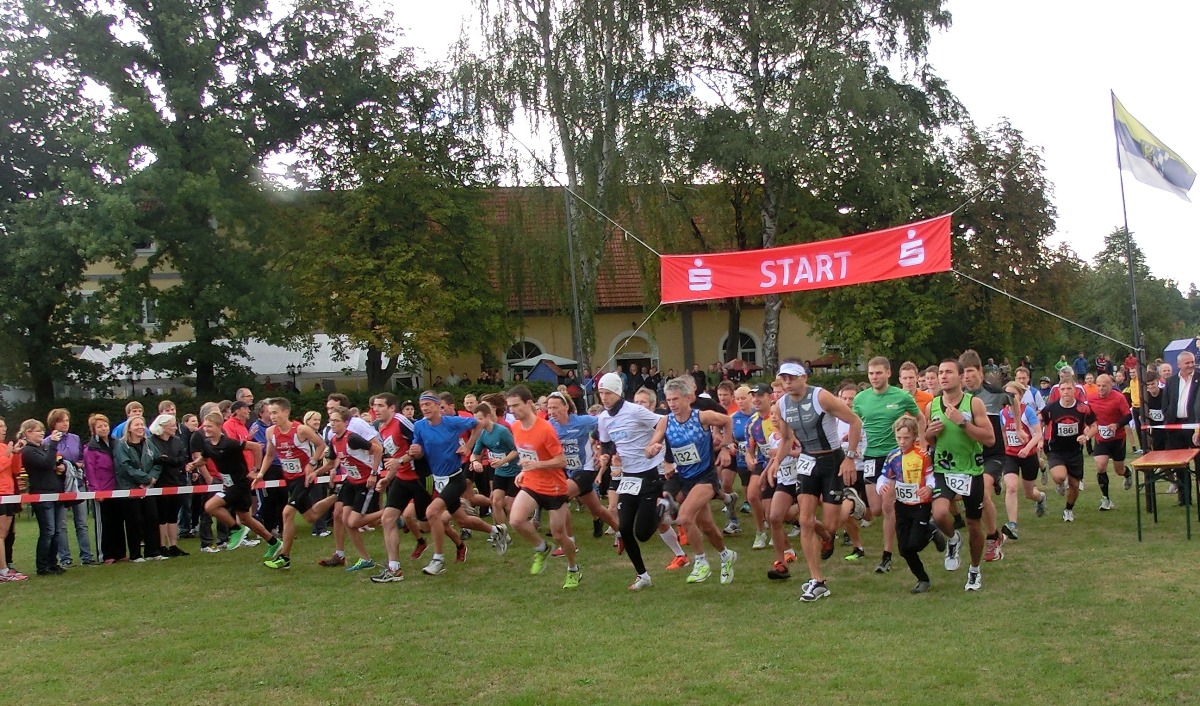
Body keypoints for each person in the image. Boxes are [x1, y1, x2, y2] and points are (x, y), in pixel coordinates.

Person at [767, 361, 863, 602]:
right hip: (808, 460)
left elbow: (855, 422)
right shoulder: (782, 404)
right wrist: (777, 461)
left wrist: (849, 458)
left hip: (832, 460)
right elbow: (786, 439)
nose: (787, 382)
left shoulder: (821, 397)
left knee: (829, 526)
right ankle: (817, 581)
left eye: (792, 378)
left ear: (804, 378)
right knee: (805, 521)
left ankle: (850, 503)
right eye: (783, 378)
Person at [409, 392, 509, 576]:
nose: (424, 408)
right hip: (438, 479)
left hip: (455, 478)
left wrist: (469, 446)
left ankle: (438, 559)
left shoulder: (451, 422)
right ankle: (496, 530)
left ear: (438, 406)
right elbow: (420, 451)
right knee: (463, 520)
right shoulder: (419, 426)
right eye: (422, 405)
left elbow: (479, 424)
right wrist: (415, 451)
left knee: (432, 512)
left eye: (428, 404)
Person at [923, 359, 996, 592]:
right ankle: (953, 539)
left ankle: (974, 570)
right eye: (940, 372)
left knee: (974, 525)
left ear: (961, 376)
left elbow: (989, 439)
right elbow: (930, 441)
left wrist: (963, 423)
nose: (943, 376)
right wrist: (929, 433)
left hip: (971, 470)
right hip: (943, 468)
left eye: (949, 372)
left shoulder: (974, 404)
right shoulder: (932, 406)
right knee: (939, 513)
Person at [662, 376, 738, 586]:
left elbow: (727, 420)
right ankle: (726, 555)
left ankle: (701, 562)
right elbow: (659, 439)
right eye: (669, 400)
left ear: (687, 398)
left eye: (676, 399)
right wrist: (664, 459)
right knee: (707, 526)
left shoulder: (702, 416)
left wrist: (725, 447)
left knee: (685, 517)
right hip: (686, 477)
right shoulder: (667, 421)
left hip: (706, 477)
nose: (672, 404)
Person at [504, 386, 582, 588]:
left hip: (554, 487)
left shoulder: (546, 429)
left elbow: (561, 460)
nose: (512, 410)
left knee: (559, 535)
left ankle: (573, 568)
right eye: (510, 406)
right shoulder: (516, 427)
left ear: (529, 403)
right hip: (532, 483)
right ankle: (541, 548)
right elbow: (527, 454)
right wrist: (524, 471)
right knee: (516, 520)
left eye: (516, 405)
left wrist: (537, 465)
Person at [596, 372, 668, 590]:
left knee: (642, 534)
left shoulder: (634, 410)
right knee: (624, 529)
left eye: (608, 393)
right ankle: (642, 575)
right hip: (628, 476)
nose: (604, 397)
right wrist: (606, 455)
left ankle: (663, 507)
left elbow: (663, 421)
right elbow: (607, 444)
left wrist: (653, 443)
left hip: (648, 473)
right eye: (601, 393)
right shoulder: (603, 418)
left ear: (618, 392)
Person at [852, 356, 921, 575]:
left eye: (878, 373)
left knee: (888, 506)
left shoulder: (901, 396)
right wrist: (850, 451)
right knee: (876, 509)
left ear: (888, 373)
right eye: (871, 373)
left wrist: (921, 442)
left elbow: (919, 418)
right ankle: (913, 518)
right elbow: (853, 424)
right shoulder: (861, 399)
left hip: (894, 456)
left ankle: (887, 555)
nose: (874, 377)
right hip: (870, 457)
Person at [191, 411, 281, 557]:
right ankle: (274, 542)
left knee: (210, 506)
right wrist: (194, 464)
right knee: (246, 519)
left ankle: (236, 529)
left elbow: (256, 447)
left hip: (240, 485)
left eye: (210, 426)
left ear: (219, 426)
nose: (206, 429)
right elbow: (204, 459)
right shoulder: (207, 444)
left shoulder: (229, 443)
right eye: (205, 426)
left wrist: (256, 470)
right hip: (228, 485)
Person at [260, 398, 331, 571]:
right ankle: (338, 496)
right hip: (290, 479)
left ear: (286, 412)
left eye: (275, 412)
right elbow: (269, 455)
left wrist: (312, 463)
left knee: (287, 513)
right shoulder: (270, 432)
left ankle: (284, 557)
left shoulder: (301, 430)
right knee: (311, 517)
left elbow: (321, 445)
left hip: (304, 478)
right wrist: (260, 473)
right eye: (270, 413)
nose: (272, 416)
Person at [545, 392, 620, 551]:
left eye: (555, 408)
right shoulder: (549, 426)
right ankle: (621, 532)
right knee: (596, 509)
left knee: (559, 498)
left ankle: (569, 543)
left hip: (587, 469)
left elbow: (606, 423)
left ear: (566, 407)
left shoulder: (582, 421)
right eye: (549, 408)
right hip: (569, 472)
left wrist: (601, 449)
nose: (551, 412)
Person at [875, 416, 940, 593]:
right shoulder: (893, 456)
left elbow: (930, 476)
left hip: (920, 505)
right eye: (899, 438)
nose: (902, 442)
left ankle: (931, 531)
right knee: (904, 549)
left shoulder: (923, 456)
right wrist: (881, 486)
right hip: (902, 505)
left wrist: (929, 488)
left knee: (915, 544)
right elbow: (884, 476)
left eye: (906, 438)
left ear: (915, 437)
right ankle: (922, 579)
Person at [45, 408, 94, 567]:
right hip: (59, 486)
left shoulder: (75, 438)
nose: (65, 423)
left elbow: (81, 458)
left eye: (67, 420)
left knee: (82, 522)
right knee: (61, 525)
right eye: (61, 421)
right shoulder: (47, 442)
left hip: (77, 483)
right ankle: (65, 558)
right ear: (54, 423)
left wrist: (77, 465)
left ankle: (87, 556)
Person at [1042, 382, 1096, 522]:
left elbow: (1094, 426)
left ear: (1075, 391)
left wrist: (1086, 436)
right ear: (1059, 391)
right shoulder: (1051, 408)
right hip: (1055, 449)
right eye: (1063, 389)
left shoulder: (1083, 408)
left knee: (1075, 485)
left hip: (1074, 450)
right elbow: (1041, 421)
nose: (1066, 391)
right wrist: (1039, 438)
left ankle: (1068, 509)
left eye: (1069, 389)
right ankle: (1059, 483)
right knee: (1059, 476)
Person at [112, 416, 164, 562]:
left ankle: (152, 552)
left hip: (148, 488)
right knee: (134, 521)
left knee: (152, 518)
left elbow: (158, 462)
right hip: (130, 488)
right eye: (137, 425)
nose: (140, 427)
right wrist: (144, 479)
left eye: (142, 424)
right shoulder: (122, 445)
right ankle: (135, 554)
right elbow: (124, 467)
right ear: (129, 428)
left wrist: (151, 479)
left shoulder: (148, 444)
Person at [999, 381, 1046, 539]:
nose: (1010, 397)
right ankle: (1012, 524)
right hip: (1010, 456)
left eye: (1013, 394)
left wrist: (1027, 449)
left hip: (1029, 456)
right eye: (1007, 394)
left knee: (1028, 493)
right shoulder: (1002, 413)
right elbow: (1004, 433)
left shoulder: (1028, 412)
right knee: (1011, 487)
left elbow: (1038, 434)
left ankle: (1040, 498)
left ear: (1020, 395)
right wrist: (1004, 449)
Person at [148, 414, 190, 557]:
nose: (175, 428)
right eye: (172, 425)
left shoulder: (177, 441)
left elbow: (182, 458)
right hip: (160, 483)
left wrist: (169, 460)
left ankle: (173, 545)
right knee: (162, 515)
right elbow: (153, 460)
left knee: (173, 515)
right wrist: (168, 461)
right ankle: (162, 545)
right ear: (163, 426)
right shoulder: (151, 441)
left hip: (176, 481)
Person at [84, 414, 124, 564]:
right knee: (105, 523)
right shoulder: (90, 448)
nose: (103, 428)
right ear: (93, 429)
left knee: (118, 521)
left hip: (117, 488)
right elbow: (90, 471)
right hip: (102, 489)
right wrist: (96, 491)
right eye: (99, 426)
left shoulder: (117, 443)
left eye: (105, 425)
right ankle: (106, 554)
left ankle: (120, 552)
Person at [1090, 374, 1134, 510]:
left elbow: (1128, 415)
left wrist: (1117, 424)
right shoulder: (1091, 398)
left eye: (1104, 386)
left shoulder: (1118, 397)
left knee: (1118, 470)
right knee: (1101, 466)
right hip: (1101, 438)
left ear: (1111, 386)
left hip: (1117, 438)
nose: (1101, 389)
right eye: (1098, 386)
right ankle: (1106, 499)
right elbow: (1087, 414)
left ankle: (1127, 473)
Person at [1166, 352, 1200, 505]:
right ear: (1179, 364)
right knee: (1179, 464)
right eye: (1187, 363)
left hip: (1195, 426)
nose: (1191, 365)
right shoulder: (1171, 381)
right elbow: (1166, 403)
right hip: (1176, 427)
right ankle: (1184, 498)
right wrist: (1168, 416)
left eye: (1192, 362)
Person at [0, 418, 27, 581]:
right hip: (1, 494)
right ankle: (3, 570)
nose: (4, 429)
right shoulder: (5, 450)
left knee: (6, 534)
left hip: (9, 493)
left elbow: (15, 469)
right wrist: (7, 454)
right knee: (0, 534)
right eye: (0, 426)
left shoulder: (5, 447)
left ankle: (6, 566)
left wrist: (16, 453)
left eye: (4, 426)